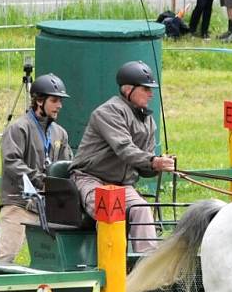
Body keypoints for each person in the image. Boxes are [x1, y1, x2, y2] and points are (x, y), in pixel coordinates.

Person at [70, 61, 176, 253]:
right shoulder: (108, 112)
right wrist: (153, 161)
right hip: (91, 179)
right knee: (111, 211)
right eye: (145, 89)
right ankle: (110, 265)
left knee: (141, 208)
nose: (151, 94)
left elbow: (144, 165)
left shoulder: (148, 121)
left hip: (122, 186)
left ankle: (147, 265)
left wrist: (158, 165)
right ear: (128, 89)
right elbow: (124, 148)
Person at [0, 73, 72, 263]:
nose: (60, 106)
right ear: (39, 101)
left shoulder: (60, 133)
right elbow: (12, 162)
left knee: (53, 261)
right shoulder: (18, 128)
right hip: (19, 203)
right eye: (55, 100)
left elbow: (67, 166)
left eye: (61, 101)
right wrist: (41, 180)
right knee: (5, 257)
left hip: (48, 209)